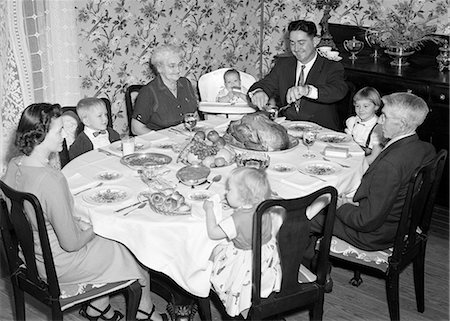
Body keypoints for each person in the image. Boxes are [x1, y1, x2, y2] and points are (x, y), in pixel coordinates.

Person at [3, 103, 168, 321]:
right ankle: (145, 311)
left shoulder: (15, 164)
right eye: (59, 130)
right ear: (39, 136)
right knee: (134, 244)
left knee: (100, 233)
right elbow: (71, 243)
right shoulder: (51, 180)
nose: (64, 135)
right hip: (59, 265)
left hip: (32, 255)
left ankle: (98, 308)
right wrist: (97, 227)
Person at [311, 92, 436, 251]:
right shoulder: (425, 148)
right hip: (398, 223)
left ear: (402, 124)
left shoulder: (391, 165)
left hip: (374, 234)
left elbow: (365, 221)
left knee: (303, 218)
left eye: (384, 116)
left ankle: (313, 272)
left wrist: (342, 206)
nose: (379, 120)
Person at [203, 167, 283, 317]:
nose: (226, 193)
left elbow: (213, 233)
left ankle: (242, 307)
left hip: (245, 262)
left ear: (243, 197)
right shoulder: (265, 208)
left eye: (230, 190)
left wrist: (209, 210)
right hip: (266, 258)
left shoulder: (236, 220)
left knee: (210, 255)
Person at [248, 20, 348, 130]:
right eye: (292, 43)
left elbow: (339, 90)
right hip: (289, 129)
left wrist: (307, 90)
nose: (296, 48)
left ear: (315, 41)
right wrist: (259, 92)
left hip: (321, 132)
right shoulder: (283, 65)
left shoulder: (331, 66)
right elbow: (264, 84)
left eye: (301, 43)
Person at [132, 44, 198, 134]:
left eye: (180, 65)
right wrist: (163, 139)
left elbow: (193, 115)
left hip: (184, 137)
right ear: (159, 68)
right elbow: (136, 128)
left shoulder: (185, 83)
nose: (178, 70)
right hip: (160, 143)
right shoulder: (148, 92)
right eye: (172, 66)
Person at [345, 87, 384, 165]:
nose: (361, 110)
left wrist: (354, 165)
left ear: (376, 107)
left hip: (366, 163)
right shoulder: (352, 121)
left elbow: (374, 157)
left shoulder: (378, 128)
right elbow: (347, 143)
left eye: (366, 106)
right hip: (350, 156)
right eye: (357, 106)